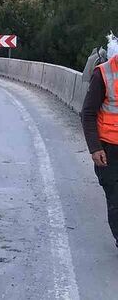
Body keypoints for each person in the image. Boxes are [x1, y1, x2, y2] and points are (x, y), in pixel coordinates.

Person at [81, 34, 118, 249]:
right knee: (115, 197)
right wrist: (94, 148)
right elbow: (88, 113)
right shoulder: (103, 74)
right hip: (108, 148)